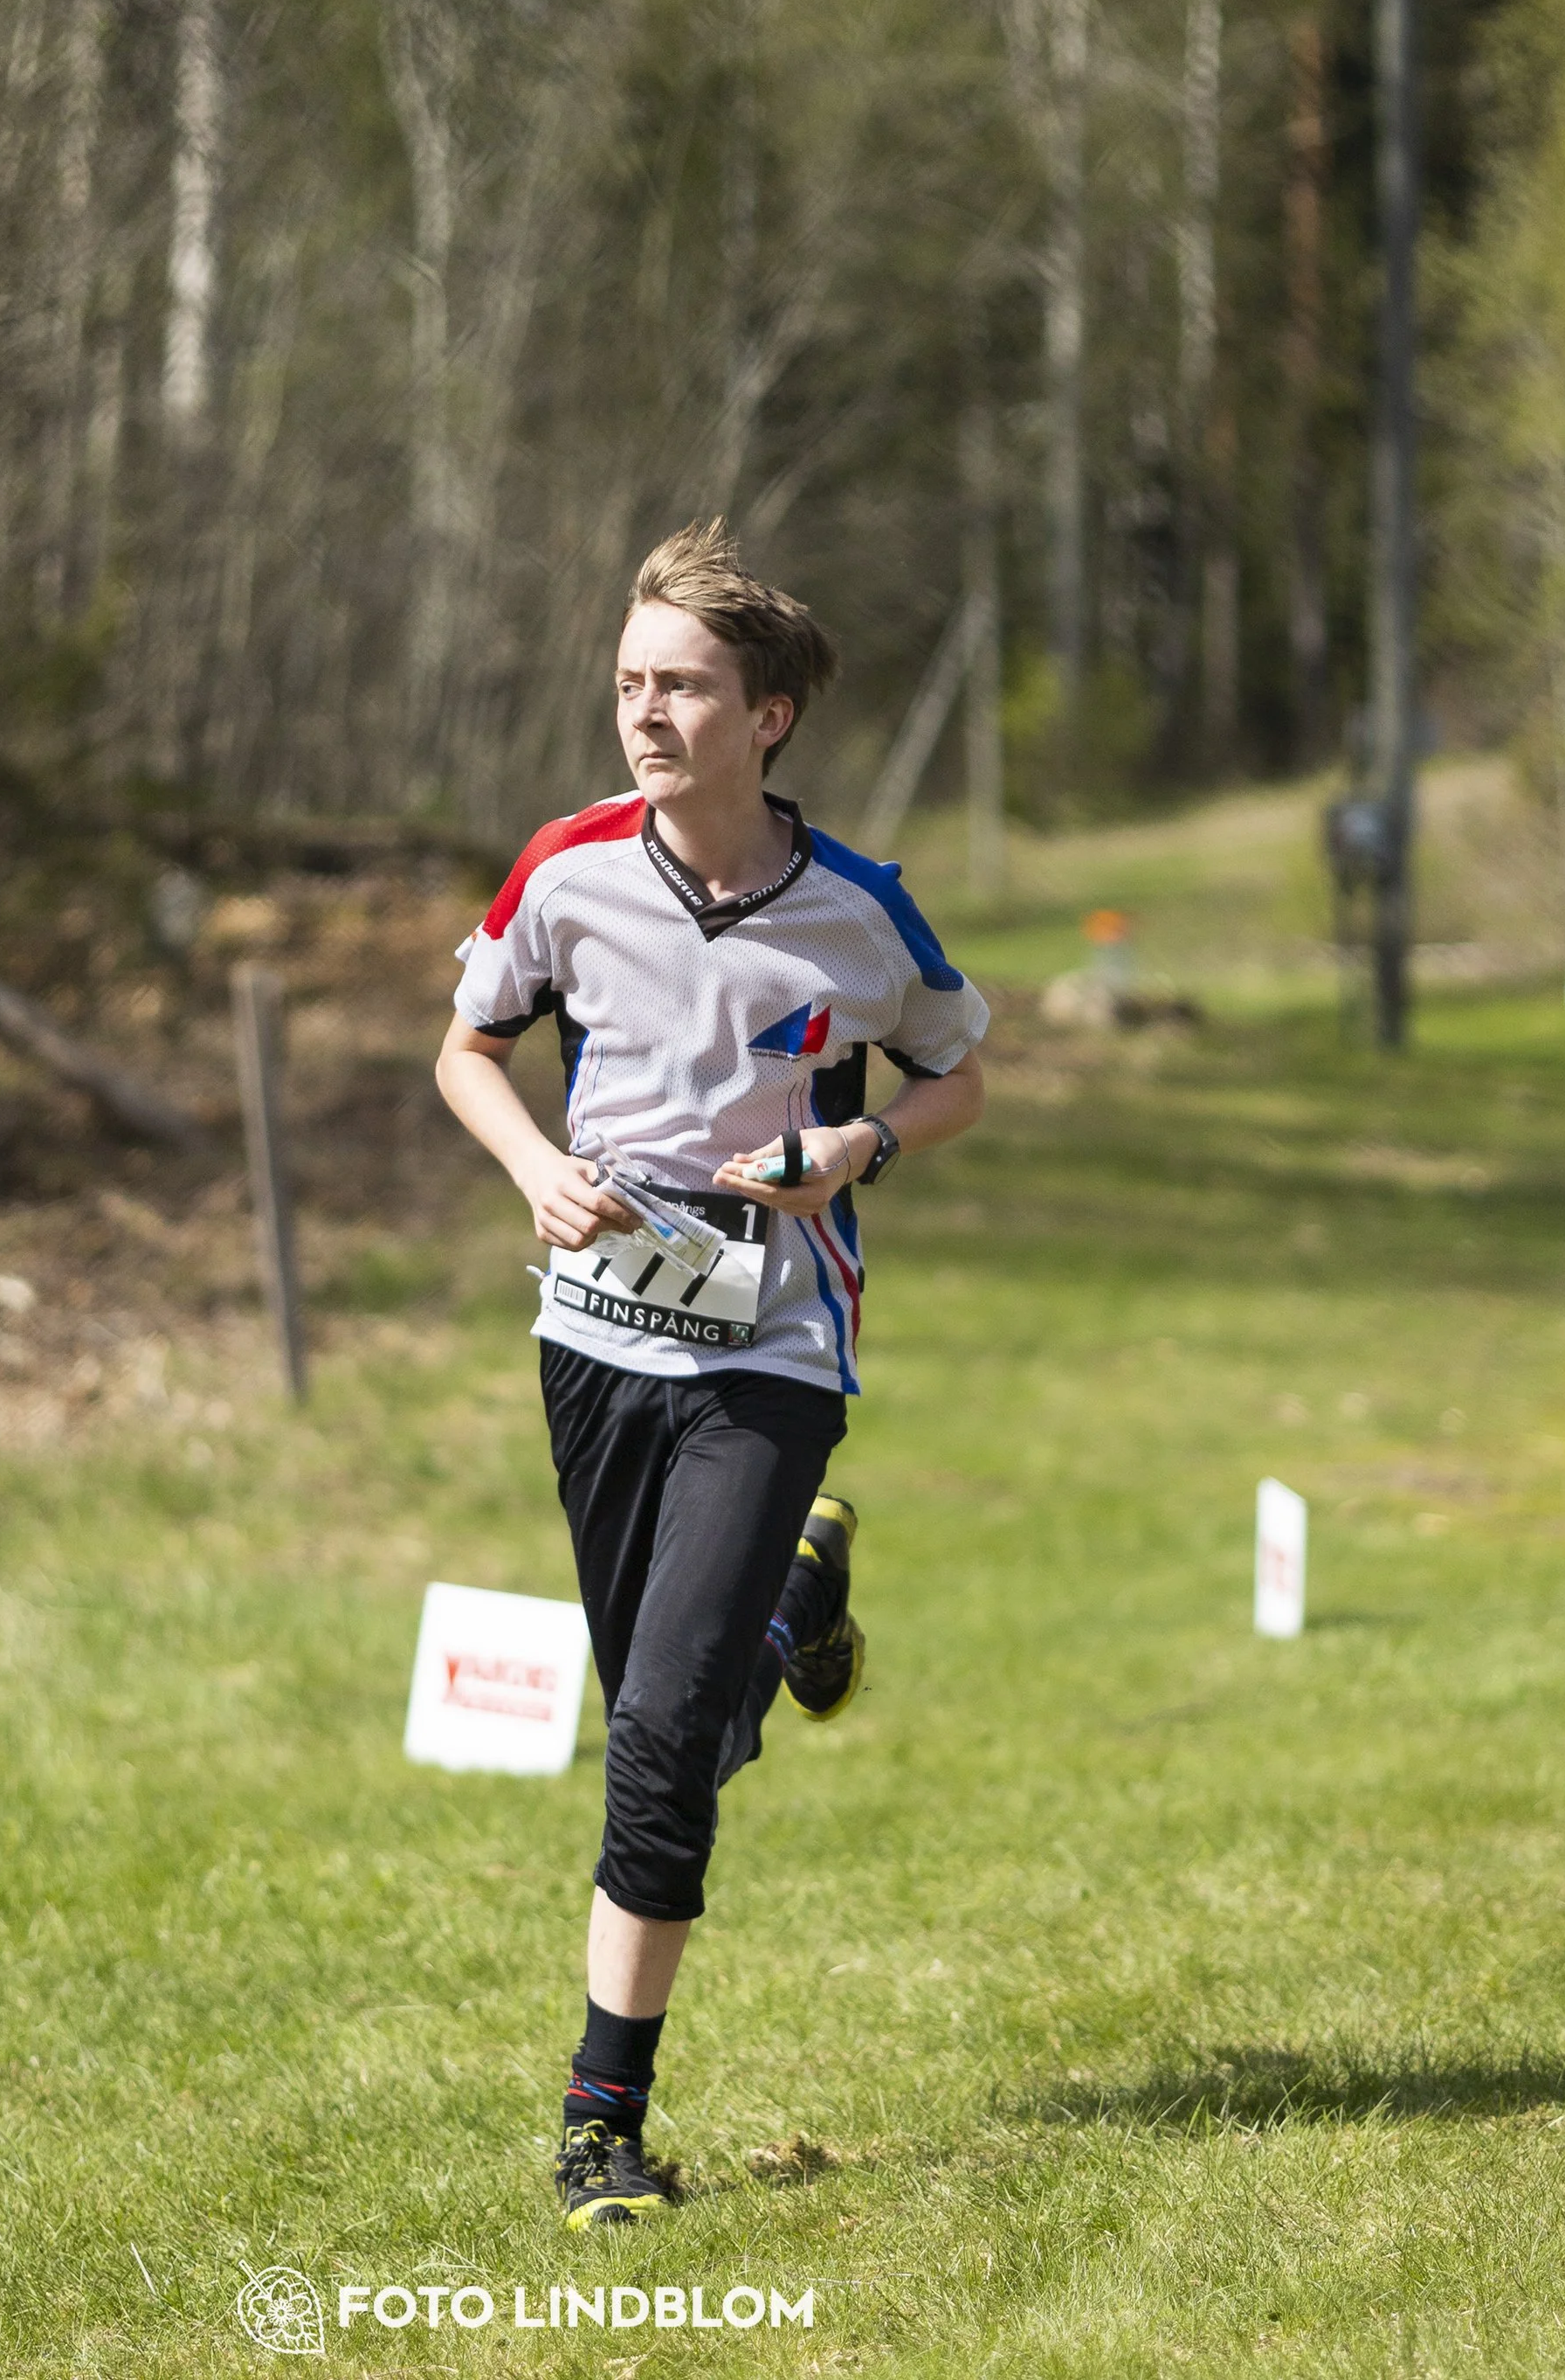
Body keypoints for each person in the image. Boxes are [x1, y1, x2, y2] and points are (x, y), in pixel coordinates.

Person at [434, 520, 989, 2230]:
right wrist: (535, 1168)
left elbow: (958, 1071)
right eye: (629, 683)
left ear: (767, 717)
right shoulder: (567, 868)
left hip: (771, 1342)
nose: (645, 713)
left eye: (680, 686)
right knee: (662, 1710)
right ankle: (795, 1597)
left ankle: (601, 2122)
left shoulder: (858, 908)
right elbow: (467, 1048)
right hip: (596, 1335)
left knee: (661, 1736)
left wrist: (856, 1147)